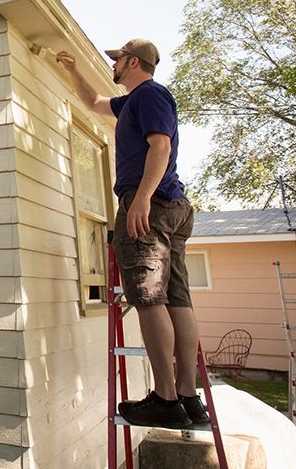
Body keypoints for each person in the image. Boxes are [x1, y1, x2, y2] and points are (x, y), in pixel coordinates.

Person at [56, 39, 206, 429]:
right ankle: (188, 397)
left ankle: (166, 399)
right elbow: (93, 103)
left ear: (133, 62)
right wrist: (72, 70)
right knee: (176, 298)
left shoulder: (150, 95)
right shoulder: (131, 102)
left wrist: (141, 199)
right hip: (169, 207)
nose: (114, 64)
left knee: (149, 297)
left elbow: (160, 145)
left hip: (151, 206)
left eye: (117, 59)